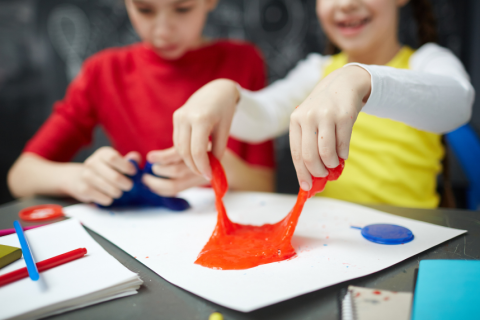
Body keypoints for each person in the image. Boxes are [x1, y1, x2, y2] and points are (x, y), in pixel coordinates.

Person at [172, 0, 474, 208]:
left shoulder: (427, 61)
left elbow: (457, 103)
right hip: (335, 239)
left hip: (410, 235)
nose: (344, 4)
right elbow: (263, 117)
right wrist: (227, 93)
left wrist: (362, 80)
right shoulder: (316, 71)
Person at [8, 0, 275, 206]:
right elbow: (20, 176)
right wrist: (80, 179)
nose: (163, 30)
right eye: (145, 10)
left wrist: (218, 162)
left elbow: (265, 186)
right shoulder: (103, 72)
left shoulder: (244, 61)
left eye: (182, 9)